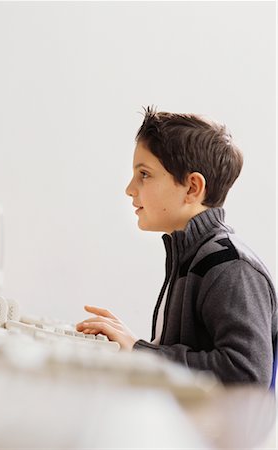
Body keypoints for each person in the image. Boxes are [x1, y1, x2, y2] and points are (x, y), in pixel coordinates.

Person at [76, 106, 277, 386]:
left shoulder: (230, 267)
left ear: (193, 188)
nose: (130, 188)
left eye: (144, 174)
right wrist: (134, 349)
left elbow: (246, 374)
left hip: (213, 431)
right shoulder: (191, 257)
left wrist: (141, 352)